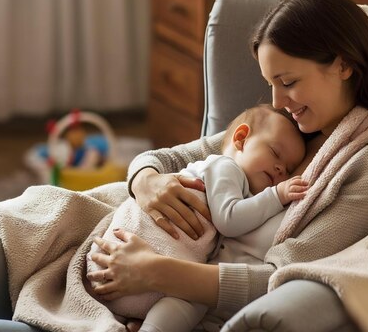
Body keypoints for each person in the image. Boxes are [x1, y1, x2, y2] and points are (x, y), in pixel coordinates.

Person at [87, 0, 368, 331]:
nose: (278, 101)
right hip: (152, 265)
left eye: (289, 81)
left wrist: (153, 272)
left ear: (343, 65)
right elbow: (168, 158)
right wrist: (146, 181)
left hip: (187, 295)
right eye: (271, 84)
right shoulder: (288, 127)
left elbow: (284, 278)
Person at [86, 104, 307, 331]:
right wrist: (276, 195)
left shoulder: (244, 180)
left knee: (193, 300)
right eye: (275, 153)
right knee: (190, 301)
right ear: (241, 139)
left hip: (129, 280)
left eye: (289, 169)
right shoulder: (226, 167)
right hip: (131, 259)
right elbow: (228, 220)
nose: (281, 169)